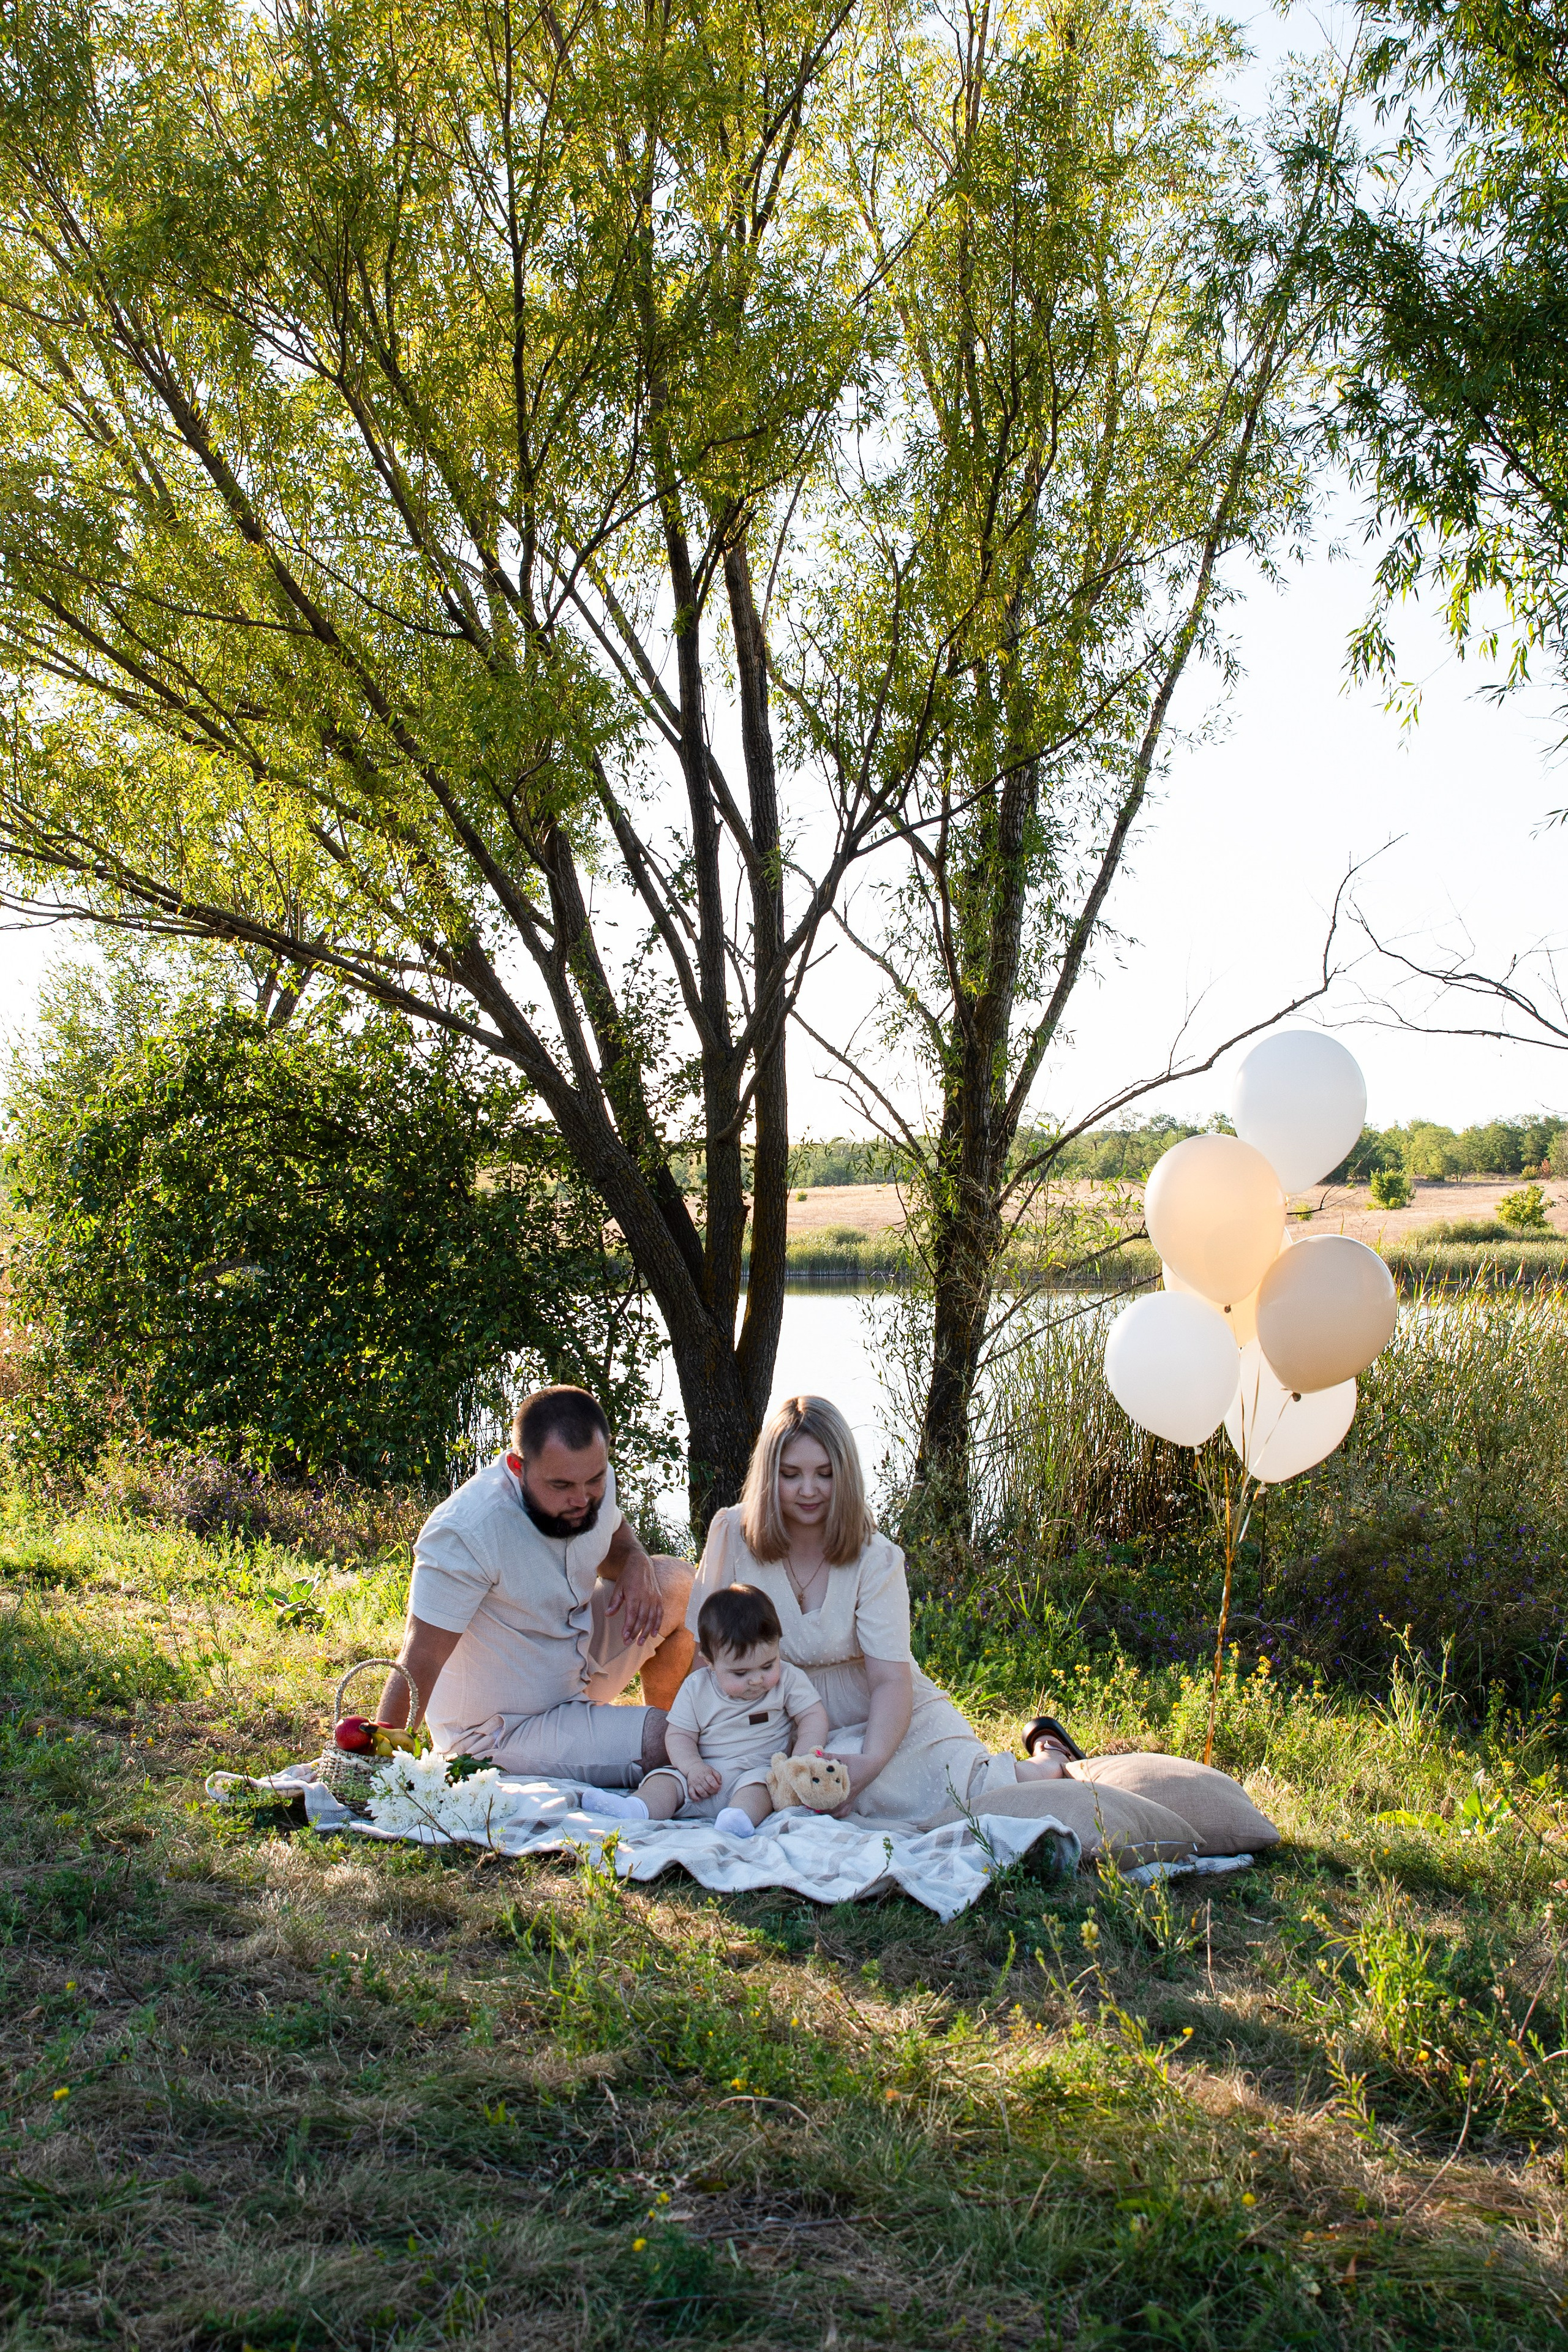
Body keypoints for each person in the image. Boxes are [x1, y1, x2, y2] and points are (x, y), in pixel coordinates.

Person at [685, 1394, 1073, 1828]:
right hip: (776, 1715)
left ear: (846, 1475)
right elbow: (702, 1656)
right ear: (767, 1475)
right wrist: (689, 1737)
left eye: (825, 1475)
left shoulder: (875, 1557)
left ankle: (1049, 1758)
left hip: (876, 1713)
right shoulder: (732, 1535)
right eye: (791, 1475)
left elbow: (890, 1680)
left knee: (968, 1793)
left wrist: (868, 1764)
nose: (809, 1490)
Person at [377, 1385, 694, 1785]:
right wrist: (377, 1760)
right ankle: (657, 1745)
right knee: (679, 1740)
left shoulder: (586, 1475)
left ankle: (661, 1743)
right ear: (516, 1466)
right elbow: (420, 1656)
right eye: (561, 1486)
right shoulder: (466, 1530)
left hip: (574, 1666)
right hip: (499, 1730)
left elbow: (614, 1535)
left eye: (594, 1480)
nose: (582, 1500)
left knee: (680, 1584)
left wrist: (635, 1559)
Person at [579, 1583, 829, 1838]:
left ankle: (736, 1820)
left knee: (761, 1790)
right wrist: (693, 1768)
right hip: (702, 1775)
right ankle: (636, 1808)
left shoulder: (788, 1679)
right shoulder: (697, 1687)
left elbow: (813, 1715)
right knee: (665, 1781)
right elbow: (679, 1735)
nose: (756, 1680)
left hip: (756, 1772)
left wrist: (799, 1760)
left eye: (767, 1666)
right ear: (710, 1663)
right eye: (740, 1673)